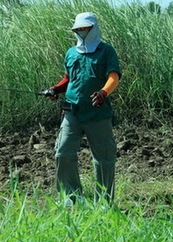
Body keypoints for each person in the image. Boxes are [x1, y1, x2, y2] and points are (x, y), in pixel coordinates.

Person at [42, 12, 122, 208]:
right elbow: (68, 78)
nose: (82, 32)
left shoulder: (106, 51)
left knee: (103, 158)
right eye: (78, 29)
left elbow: (114, 76)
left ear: (93, 28)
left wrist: (103, 93)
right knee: (62, 153)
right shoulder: (71, 53)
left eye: (85, 28)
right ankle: (73, 198)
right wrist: (55, 89)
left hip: (97, 112)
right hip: (72, 112)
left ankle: (103, 203)